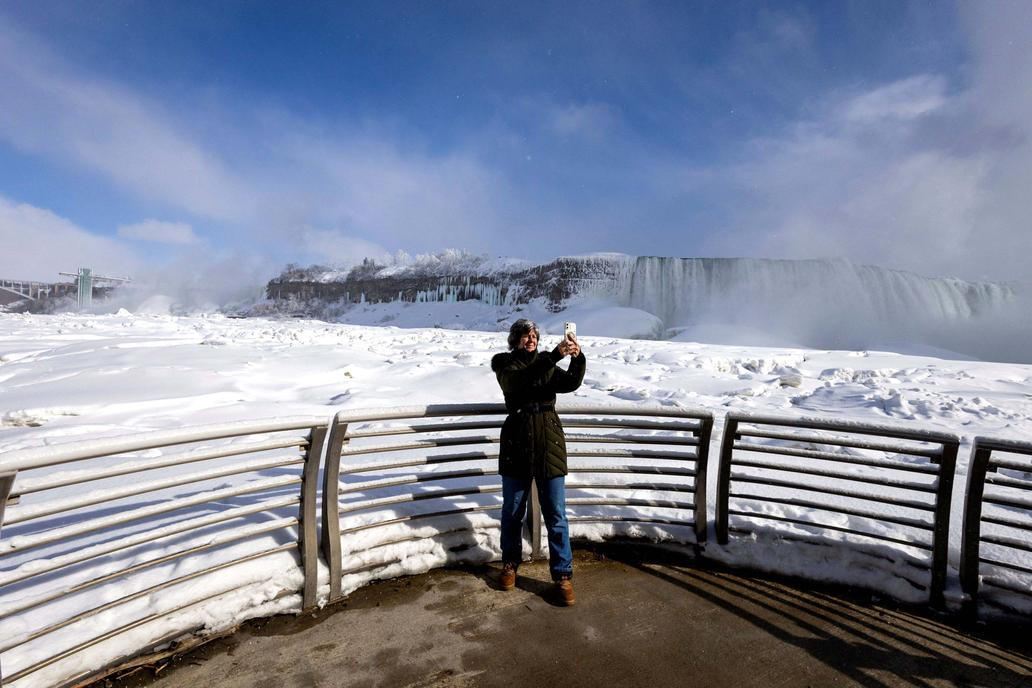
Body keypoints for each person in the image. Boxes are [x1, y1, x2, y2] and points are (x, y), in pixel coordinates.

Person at [491, 318, 585, 605]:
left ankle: (563, 576)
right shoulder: (506, 365)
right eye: (524, 336)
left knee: (556, 515)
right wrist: (555, 355)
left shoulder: (546, 365)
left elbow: (570, 383)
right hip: (517, 445)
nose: (530, 339)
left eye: (533, 335)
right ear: (514, 340)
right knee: (512, 512)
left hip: (548, 445)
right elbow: (522, 381)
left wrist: (577, 358)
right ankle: (510, 565)